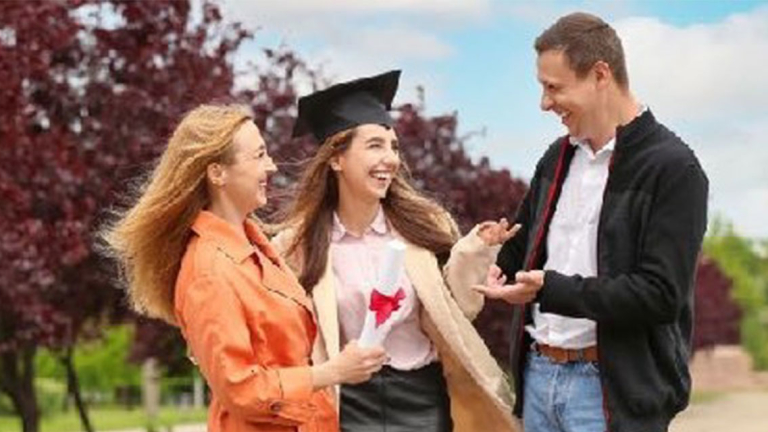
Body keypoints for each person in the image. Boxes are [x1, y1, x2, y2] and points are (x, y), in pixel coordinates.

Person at [472, 12, 709, 432]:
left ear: (600, 75)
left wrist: (552, 289)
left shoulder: (673, 169)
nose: (545, 103)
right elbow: (525, 241)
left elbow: (660, 295)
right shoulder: (557, 157)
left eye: (554, 88)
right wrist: (499, 258)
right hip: (537, 378)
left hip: (609, 397)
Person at [102, 104, 387, 432]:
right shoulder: (209, 272)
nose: (272, 165)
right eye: (259, 155)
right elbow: (241, 390)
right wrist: (332, 372)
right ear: (217, 173)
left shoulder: (257, 246)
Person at [272, 70, 522, 432]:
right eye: (375, 145)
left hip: (422, 397)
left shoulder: (423, 229)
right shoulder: (297, 245)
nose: (390, 158)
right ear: (336, 158)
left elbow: (456, 310)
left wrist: (474, 252)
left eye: (393, 146)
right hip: (346, 403)